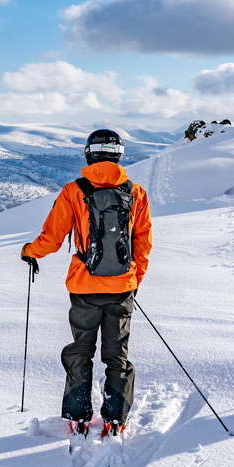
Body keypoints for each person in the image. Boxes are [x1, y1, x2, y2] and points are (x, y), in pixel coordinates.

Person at [21, 129, 152, 437]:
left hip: (83, 287)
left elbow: (52, 239)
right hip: (121, 287)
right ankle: (115, 417)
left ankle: (78, 415)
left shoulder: (73, 191)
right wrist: (134, 281)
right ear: (118, 154)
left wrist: (29, 251)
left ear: (89, 153)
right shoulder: (137, 193)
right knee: (116, 351)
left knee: (80, 349)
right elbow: (142, 245)